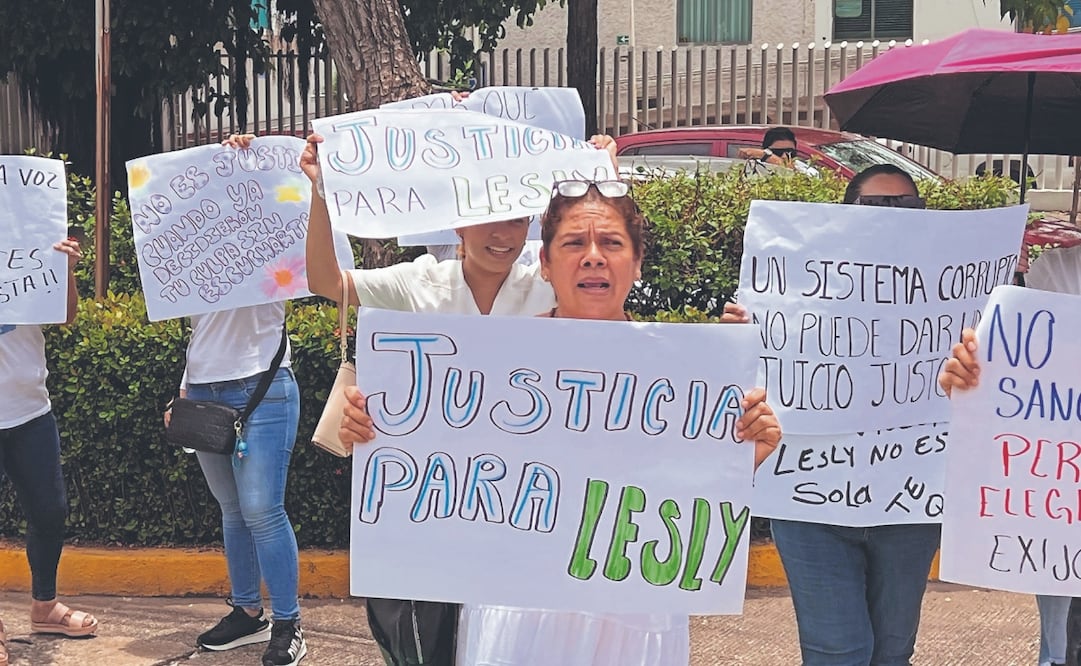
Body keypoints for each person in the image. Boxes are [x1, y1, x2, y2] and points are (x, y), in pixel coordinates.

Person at [336, 178, 783, 665]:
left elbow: (690, 494)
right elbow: (442, 470)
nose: (593, 256)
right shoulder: (489, 364)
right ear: (545, 264)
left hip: (634, 619)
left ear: (635, 264)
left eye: (611, 243)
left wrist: (743, 456)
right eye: (574, 243)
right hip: (515, 617)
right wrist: (371, 430)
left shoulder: (686, 374)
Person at [303, 132, 623, 665]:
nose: (505, 235)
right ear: (457, 224)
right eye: (490, 219)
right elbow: (325, 280)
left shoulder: (545, 287)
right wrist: (320, 193)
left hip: (518, 519)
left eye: (519, 221)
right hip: (427, 518)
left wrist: (601, 184)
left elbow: (608, 291)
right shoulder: (419, 282)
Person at [726, 164, 938, 665]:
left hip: (908, 502)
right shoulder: (791, 293)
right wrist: (736, 339)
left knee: (892, 651)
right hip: (810, 502)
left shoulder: (951, 301)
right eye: (875, 206)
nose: (891, 217)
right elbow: (743, 386)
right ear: (845, 215)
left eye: (905, 206)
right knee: (837, 653)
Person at [164, 136, 306, 666]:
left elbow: (304, 229)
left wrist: (250, 159)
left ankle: (288, 623)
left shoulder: (274, 244)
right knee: (232, 510)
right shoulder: (194, 254)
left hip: (261, 390)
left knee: (262, 511)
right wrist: (184, 386)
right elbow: (202, 333)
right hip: (204, 390)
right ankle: (248, 613)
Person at [940, 242, 1081, 666]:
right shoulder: (1058, 270)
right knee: (1066, 645)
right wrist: (966, 381)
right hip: (1067, 505)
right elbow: (1018, 382)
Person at [0, 237, 99, 665]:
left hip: (31, 411)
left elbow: (65, 315)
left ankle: (45, 607)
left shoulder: (26, 241)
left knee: (50, 511)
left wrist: (66, 271)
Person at [737, 126, 818, 176]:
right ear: (766, 150)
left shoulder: (807, 171)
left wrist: (769, 157)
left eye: (790, 153)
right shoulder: (753, 169)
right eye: (777, 152)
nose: (784, 156)